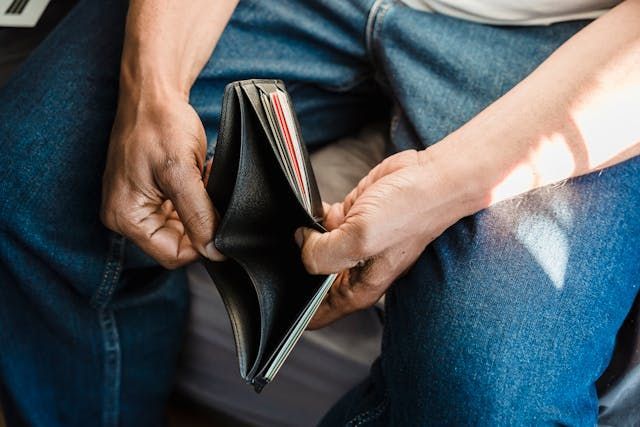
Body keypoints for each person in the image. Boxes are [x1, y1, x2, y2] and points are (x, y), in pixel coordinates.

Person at [0, 0, 639, 425]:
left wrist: (447, 184)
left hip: (578, 46)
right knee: (33, 179)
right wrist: (153, 84)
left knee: (488, 396)